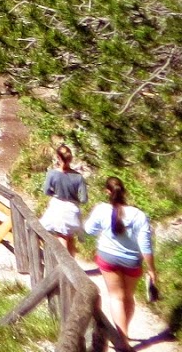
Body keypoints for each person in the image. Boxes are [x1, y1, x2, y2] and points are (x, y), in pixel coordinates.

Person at [84, 176, 159, 339]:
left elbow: (88, 230)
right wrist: (152, 270)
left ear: (107, 192)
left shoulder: (101, 209)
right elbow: (145, 245)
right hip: (132, 261)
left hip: (107, 258)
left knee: (115, 297)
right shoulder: (138, 215)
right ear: (124, 191)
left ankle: (122, 339)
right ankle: (125, 334)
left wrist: (102, 231)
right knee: (128, 297)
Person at [40, 144, 87, 254]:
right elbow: (84, 199)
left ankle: (65, 267)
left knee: (60, 236)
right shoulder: (79, 177)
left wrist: (55, 193)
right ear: (71, 158)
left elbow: (46, 191)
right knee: (69, 237)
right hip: (72, 209)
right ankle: (73, 265)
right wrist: (74, 199)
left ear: (58, 157)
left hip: (58, 207)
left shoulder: (52, 174)